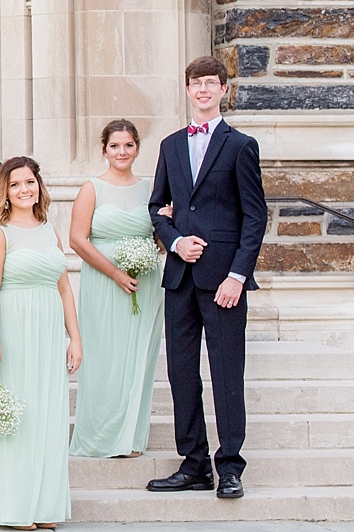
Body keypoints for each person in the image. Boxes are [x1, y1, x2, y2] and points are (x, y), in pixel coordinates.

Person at [147, 56, 267, 501]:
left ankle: (230, 465)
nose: (203, 90)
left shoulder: (240, 146)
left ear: (222, 90)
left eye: (210, 83)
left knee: (226, 373)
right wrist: (175, 242)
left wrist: (238, 275)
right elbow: (156, 208)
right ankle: (193, 463)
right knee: (182, 373)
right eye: (196, 83)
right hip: (180, 277)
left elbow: (255, 217)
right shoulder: (171, 145)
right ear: (187, 89)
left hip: (223, 283)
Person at [0, 157, 81, 529]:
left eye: (29, 182)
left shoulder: (49, 230)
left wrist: (75, 338)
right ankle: (14, 508)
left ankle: (43, 507)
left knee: (46, 418)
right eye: (15, 184)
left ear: (39, 186)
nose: (24, 189)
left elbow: (63, 288)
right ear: (5, 191)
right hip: (13, 331)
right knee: (18, 420)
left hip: (46, 336)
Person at [69, 119, 163, 460]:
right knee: (105, 358)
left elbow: (159, 241)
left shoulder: (152, 189)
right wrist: (116, 273)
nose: (121, 152)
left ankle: (130, 437)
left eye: (128, 145)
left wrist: (165, 228)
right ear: (104, 149)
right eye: (114, 146)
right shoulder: (92, 188)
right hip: (105, 283)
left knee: (138, 357)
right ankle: (101, 436)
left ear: (137, 148)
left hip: (145, 282)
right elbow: (77, 240)